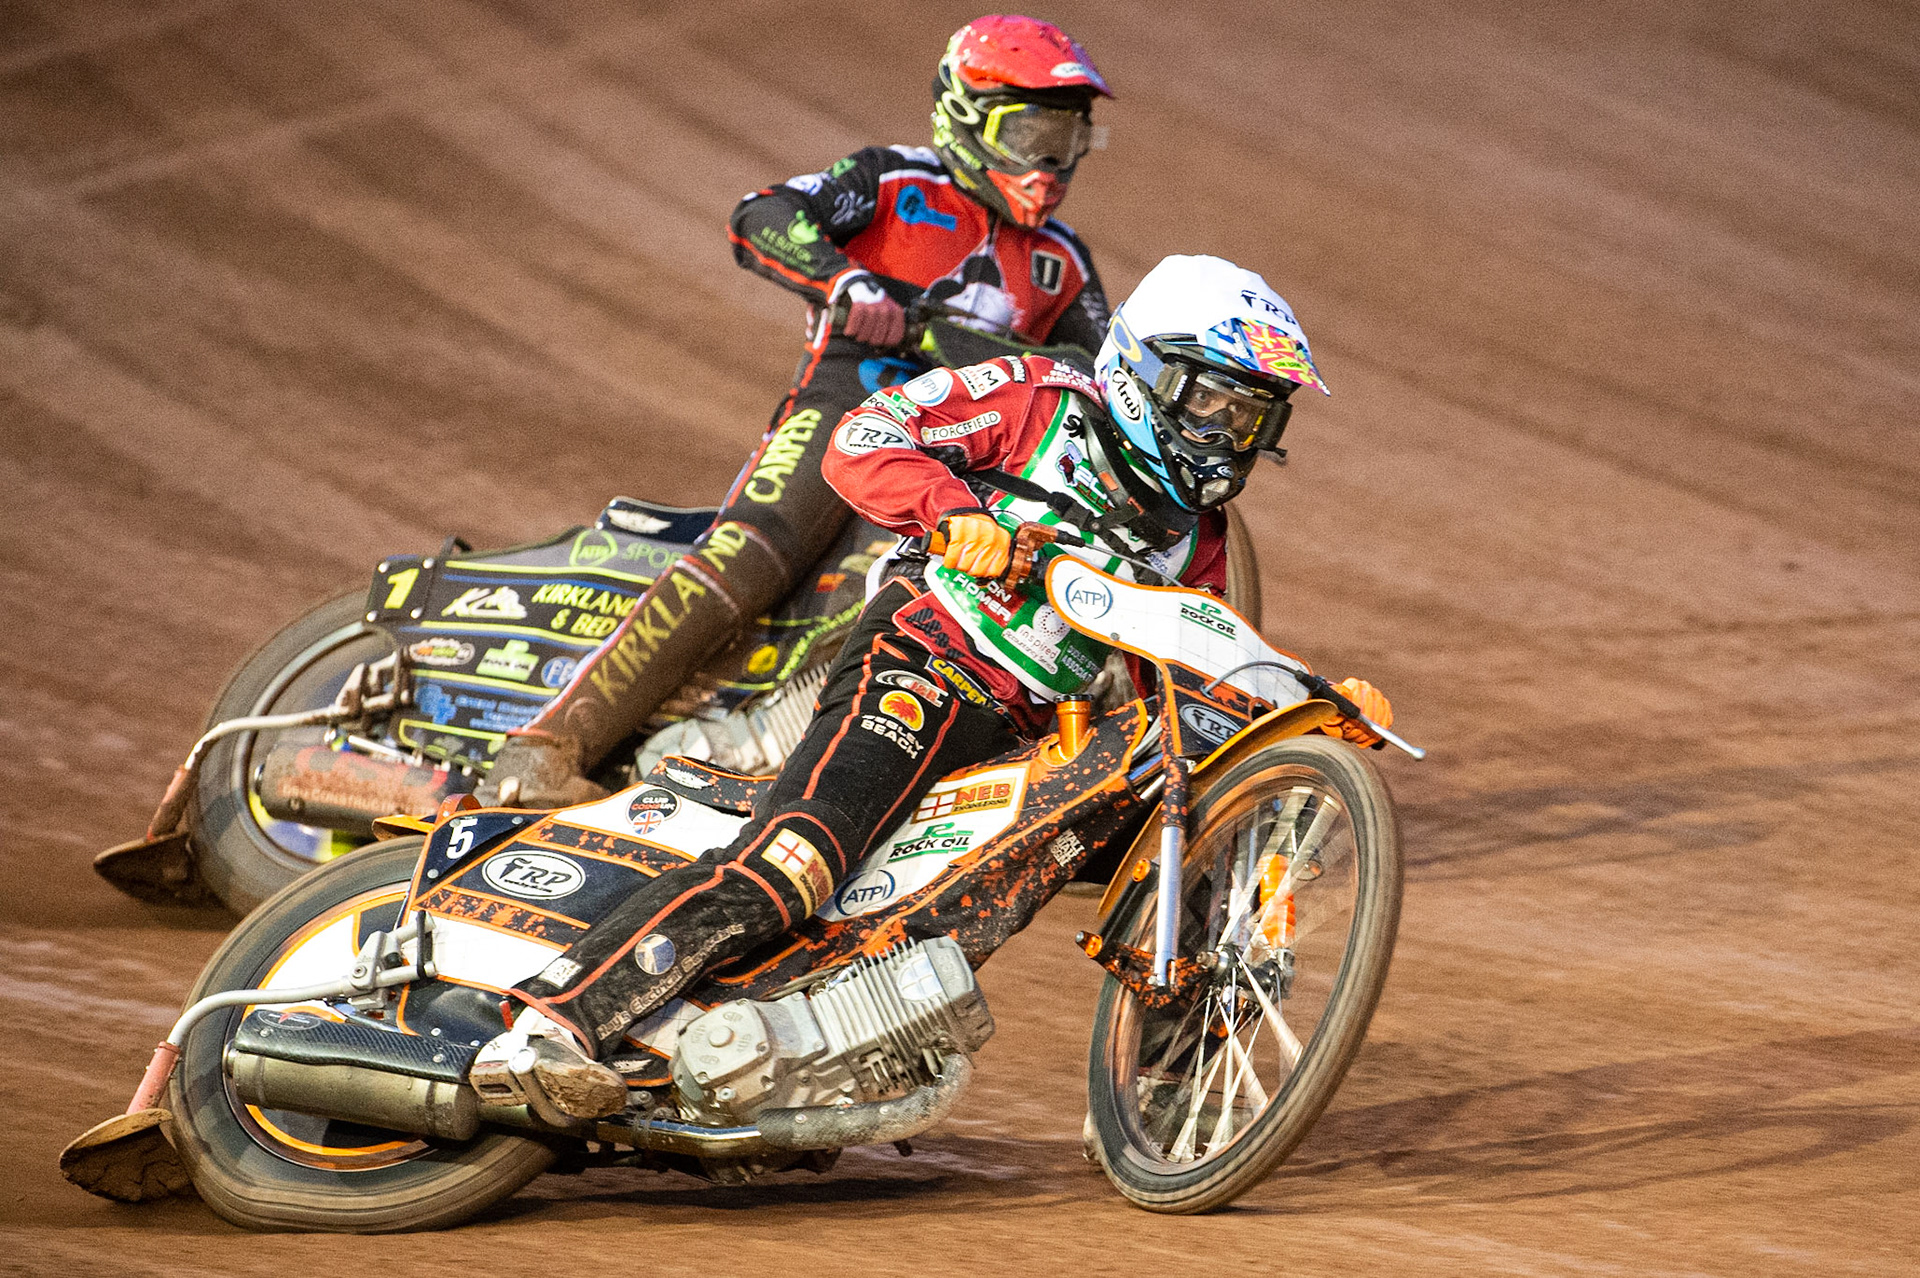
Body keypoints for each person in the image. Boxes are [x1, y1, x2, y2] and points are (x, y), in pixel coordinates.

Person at [471, 255, 1393, 1119]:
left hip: (1036, 731)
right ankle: (554, 1025)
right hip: (924, 658)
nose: (1227, 439)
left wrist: (1298, 704)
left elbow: (1185, 663)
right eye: (1215, 405)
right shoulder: (1038, 401)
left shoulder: (1201, 536)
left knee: (1213, 843)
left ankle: (1169, 1095)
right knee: (801, 860)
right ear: (1147, 371)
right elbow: (863, 436)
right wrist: (956, 513)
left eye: (1252, 420)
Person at [480, 15, 1116, 809]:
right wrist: (845, 283)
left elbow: (1103, 369)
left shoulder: (1063, 260)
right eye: (1032, 134)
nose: (1052, 164)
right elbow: (763, 212)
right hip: (853, 404)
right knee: (753, 557)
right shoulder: (896, 183)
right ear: (968, 116)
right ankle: (543, 747)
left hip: (969, 450)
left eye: (1069, 139)